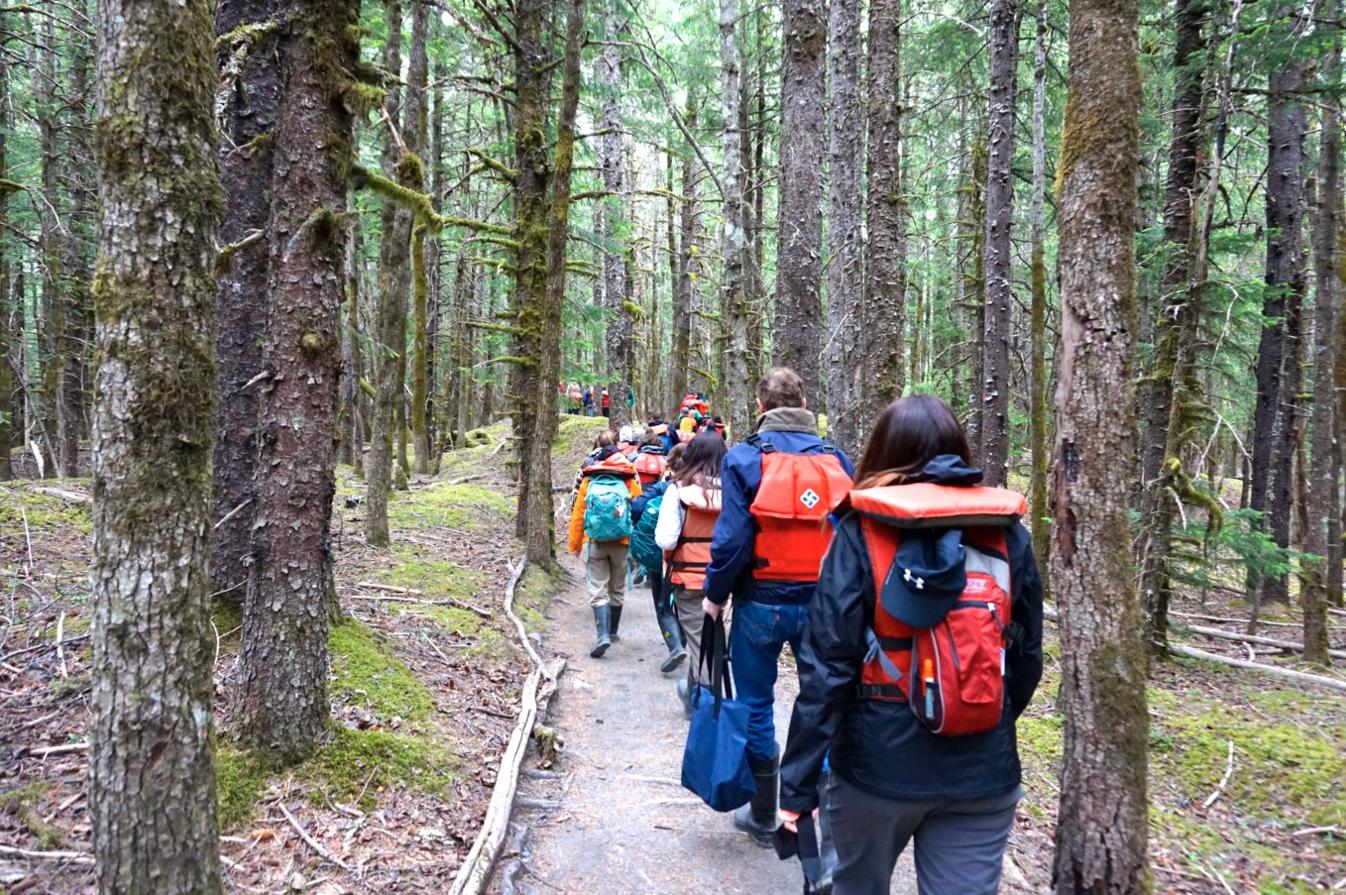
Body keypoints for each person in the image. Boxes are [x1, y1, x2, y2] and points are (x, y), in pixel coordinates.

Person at [777, 395, 1044, 895]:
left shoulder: (860, 534)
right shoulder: (1008, 535)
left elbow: (827, 671)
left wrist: (797, 784)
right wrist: (977, 710)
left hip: (876, 770)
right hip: (983, 771)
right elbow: (1027, 662)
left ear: (881, 452)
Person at [702, 367, 854, 846]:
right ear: (806, 403)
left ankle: (764, 813)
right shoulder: (837, 459)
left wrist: (714, 595)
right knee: (825, 701)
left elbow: (731, 541)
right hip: (825, 605)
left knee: (753, 702)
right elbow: (852, 537)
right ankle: (819, 816)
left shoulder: (745, 458)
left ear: (761, 407)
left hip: (760, 603)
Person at [655, 433, 727, 712]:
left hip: (689, 580)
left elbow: (666, 540)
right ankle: (692, 694)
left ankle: (707, 707)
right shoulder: (735, 491)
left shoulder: (678, 492)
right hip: (725, 578)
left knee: (700, 644)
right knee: (712, 639)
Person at [567, 450, 642, 657]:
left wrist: (574, 544)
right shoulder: (628, 481)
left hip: (594, 542)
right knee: (616, 588)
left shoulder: (589, 481)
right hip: (622, 542)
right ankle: (613, 632)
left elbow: (578, 515)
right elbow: (637, 511)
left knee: (597, 588)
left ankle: (602, 636)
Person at [630, 447, 687, 673]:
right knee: (685, 600)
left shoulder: (662, 488)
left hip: (661, 553)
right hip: (693, 557)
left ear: (671, 466)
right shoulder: (702, 490)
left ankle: (675, 646)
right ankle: (683, 638)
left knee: (662, 603)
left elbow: (636, 507)